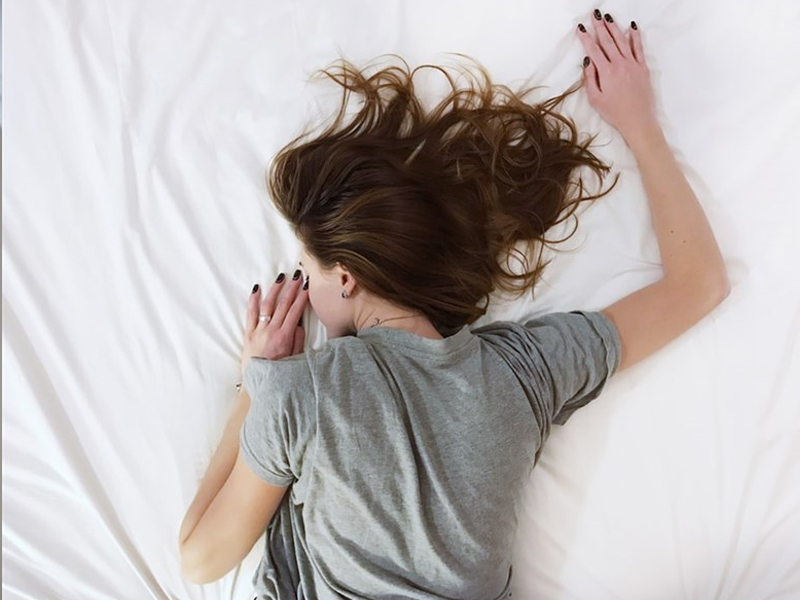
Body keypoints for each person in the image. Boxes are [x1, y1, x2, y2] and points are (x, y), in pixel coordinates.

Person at [179, 10, 730, 599]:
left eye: (308, 270)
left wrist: (254, 384)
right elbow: (699, 285)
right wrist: (640, 126)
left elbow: (200, 560)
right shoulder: (523, 372)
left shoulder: (299, 393)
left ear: (346, 278)